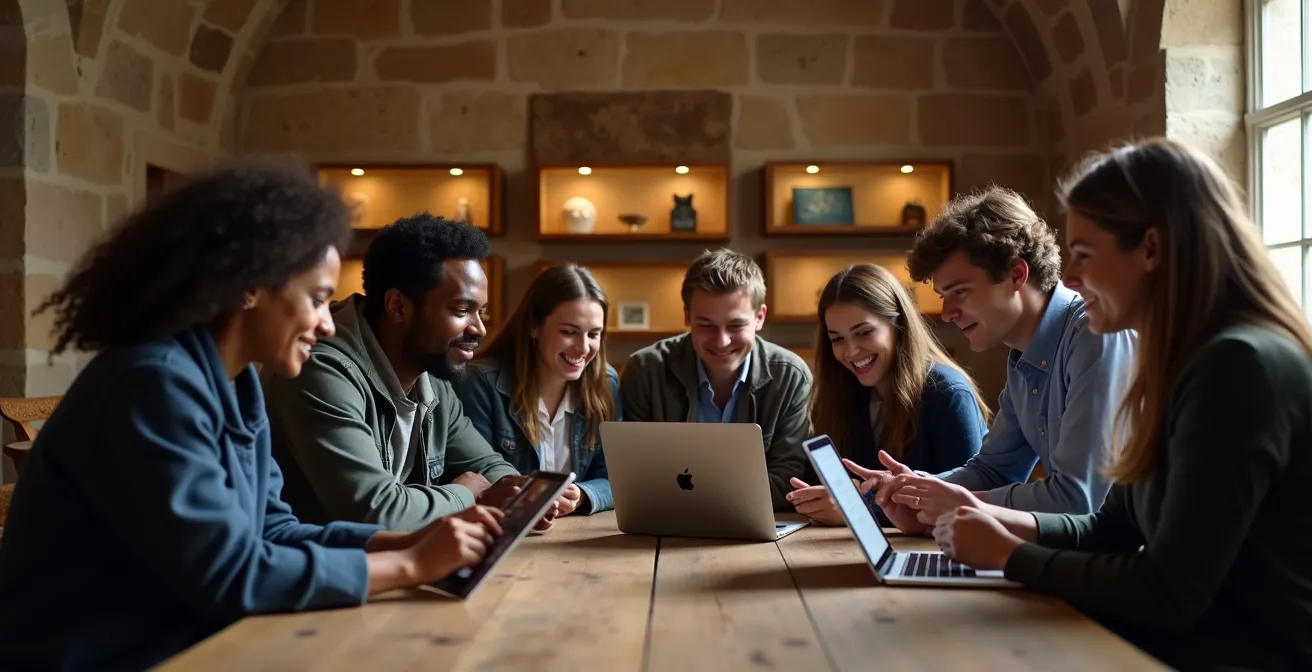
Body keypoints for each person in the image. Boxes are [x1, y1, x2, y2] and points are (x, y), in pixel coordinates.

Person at [0, 163, 504, 669]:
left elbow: (275, 530)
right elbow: (231, 576)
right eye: (317, 299)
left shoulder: (237, 385)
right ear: (248, 287)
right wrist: (411, 564)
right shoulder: (151, 383)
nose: (328, 324)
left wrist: (409, 538)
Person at [927, 139, 1312, 670]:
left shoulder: (1238, 367)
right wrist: (1002, 525)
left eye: (1084, 255)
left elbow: (1170, 593)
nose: (1073, 279)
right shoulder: (1183, 362)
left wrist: (1010, 557)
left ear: (1150, 250)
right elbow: (1109, 526)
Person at [852, 186, 1137, 535]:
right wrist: (913, 489)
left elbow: (1080, 500)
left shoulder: (1095, 334)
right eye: (943, 296)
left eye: (960, 292)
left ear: (1016, 274)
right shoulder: (1024, 355)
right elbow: (993, 470)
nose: (947, 313)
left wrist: (961, 504)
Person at [262, 214, 556, 532]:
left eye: (480, 311)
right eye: (462, 310)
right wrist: (466, 496)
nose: (480, 328)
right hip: (319, 571)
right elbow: (376, 512)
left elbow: (487, 465)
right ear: (399, 306)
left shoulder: (432, 376)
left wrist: (520, 496)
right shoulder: (319, 370)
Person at [785, 264, 990, 525]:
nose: (851, 351)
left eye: (864, 332)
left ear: (899, 325)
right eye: (837, 339)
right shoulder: (844, 393)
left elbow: (966, 503)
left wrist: (857, 509)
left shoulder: (947, 393)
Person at [620, 249, 812, 509]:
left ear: (759, 318)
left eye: (735, 326)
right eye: (707, 325)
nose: (722, 341)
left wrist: (691, 493)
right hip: (664, 527)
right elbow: (632, 476)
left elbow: (789, 482)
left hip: (758, 532)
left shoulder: (791, 376)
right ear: (687, 316)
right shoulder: (645, 370)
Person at [454, 264, 619, 515]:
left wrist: (583, 495)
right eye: (569, 332)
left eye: (594, 334)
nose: (583, 348)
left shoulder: (605, 382)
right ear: (534, 325)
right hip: (504, 531)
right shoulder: (481, 383)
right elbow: (479, 477)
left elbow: (617, 478)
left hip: (576, 534)